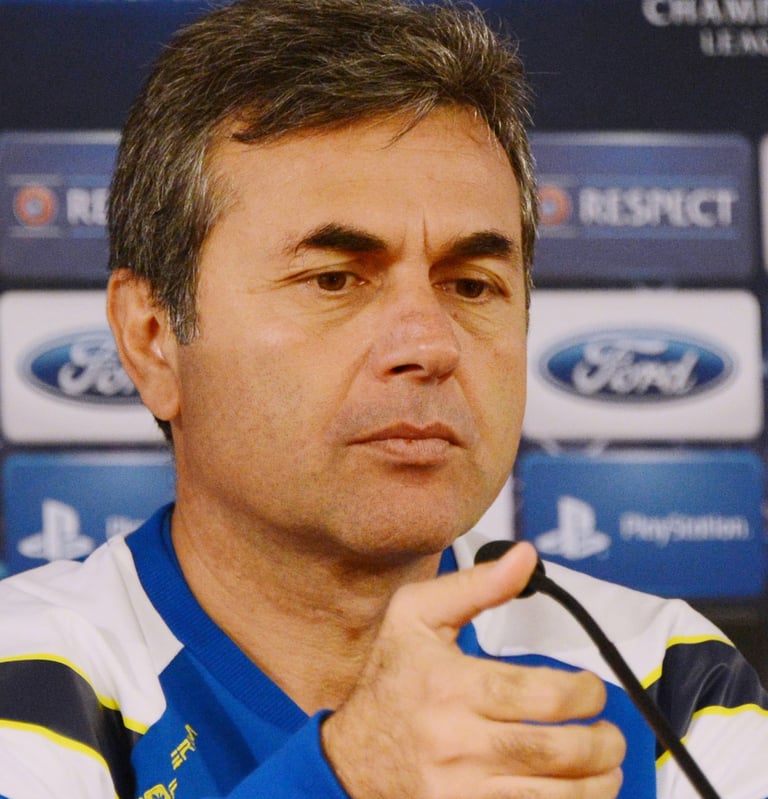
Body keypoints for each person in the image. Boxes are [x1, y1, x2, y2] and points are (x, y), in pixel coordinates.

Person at [0, 0, 766, 797]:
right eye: (335, 280)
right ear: (153, 338)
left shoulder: (664, 677)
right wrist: (354, 775)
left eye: (471, 284)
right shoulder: (26, 669)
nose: (429, 345)